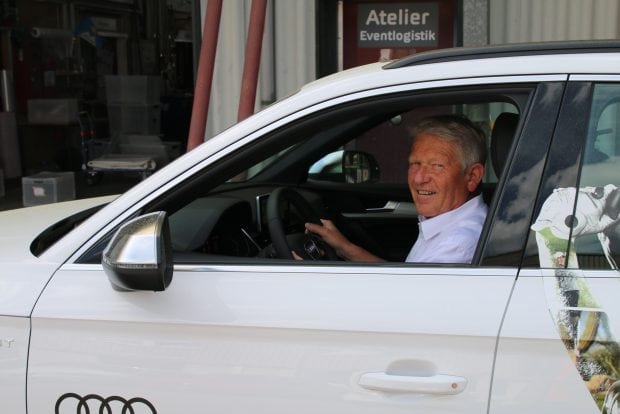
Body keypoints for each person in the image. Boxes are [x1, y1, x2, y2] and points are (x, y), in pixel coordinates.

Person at [305, 114, 488, 264]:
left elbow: (402, 301)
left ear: (472, 176)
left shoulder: (457, 245)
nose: (418, 178)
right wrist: (346, 249)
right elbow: (404, 284)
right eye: (415, 164)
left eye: (437, 166)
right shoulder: (451, 223)